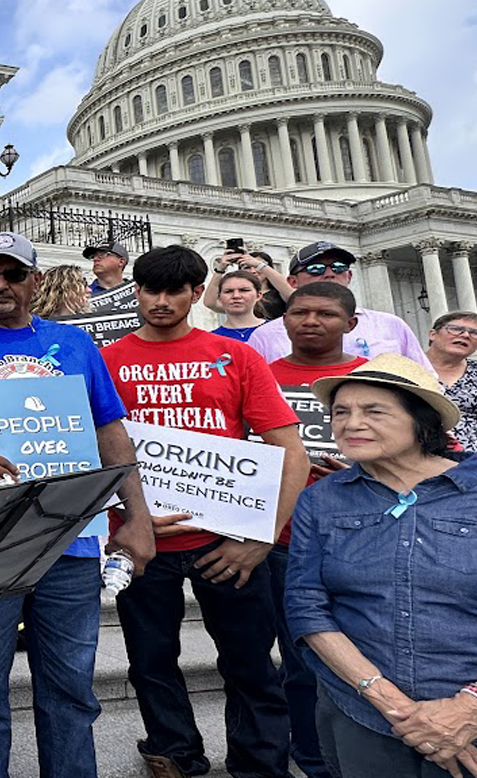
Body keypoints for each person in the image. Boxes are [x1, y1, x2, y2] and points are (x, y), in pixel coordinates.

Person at [0, 231, 157, 778]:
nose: (0, 285)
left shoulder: (75, 343)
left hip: (70, 536)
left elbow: (110, 429)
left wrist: (135, 515)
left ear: (34, 281)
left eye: (14, 274)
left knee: (69, 687)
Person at [99, 245, 311, 778]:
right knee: (150, 661)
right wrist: (125, 522)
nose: (161, 301)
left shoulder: (237, 356)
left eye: (175, 291)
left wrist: (262, 536)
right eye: (150, 290)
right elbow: (90, 451)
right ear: (137, 291)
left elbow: (291, 450)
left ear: (199, 294)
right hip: (141, 540)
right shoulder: (107, 361)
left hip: (229, 538)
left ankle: (260, 765)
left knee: (250, 664)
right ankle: (174, 752)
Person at [289, 355, 477, 778]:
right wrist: (391, 702)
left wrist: (468, 706)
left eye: (373, 411)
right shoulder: (322, 500)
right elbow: (306, 605)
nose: (350, 423)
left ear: (421, 421)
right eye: (340, 412)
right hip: (362, 712)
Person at [263, 281, 369, 778]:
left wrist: (358, 468)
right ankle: (311, 756)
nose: (309, 320)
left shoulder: (377, 379)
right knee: (300, 660)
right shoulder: (259, 373)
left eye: (324, 314)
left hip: (363, 539)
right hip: (283, 540)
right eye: (298, 311)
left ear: (349, 325)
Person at [246, 241, 434, 370]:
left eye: (339, 267)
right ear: (292, 282)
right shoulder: (266, 335)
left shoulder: (391, 325)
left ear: (349, 276)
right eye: (316, 269)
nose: (329, 274)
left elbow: (425, 378)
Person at [425, 311, 477, 451]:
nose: (466, 335)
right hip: (423, 454)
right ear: (433, 334)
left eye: (474, 333)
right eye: (456, 329)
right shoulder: (408, 367)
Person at [204, 242, 292, 320]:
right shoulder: (238, 297)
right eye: (247, 267)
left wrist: (259, 264)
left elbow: (291, 293)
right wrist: (220, 269)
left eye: (257, 267)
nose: (253, 271)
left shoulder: (279, 293)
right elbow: (210, 303)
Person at [210, 269, 265, 342]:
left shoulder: (277, 330)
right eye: (228, 291)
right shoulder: (211, 339)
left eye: (244, 290)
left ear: (258, 295)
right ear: (219, 297)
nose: (236, 296)